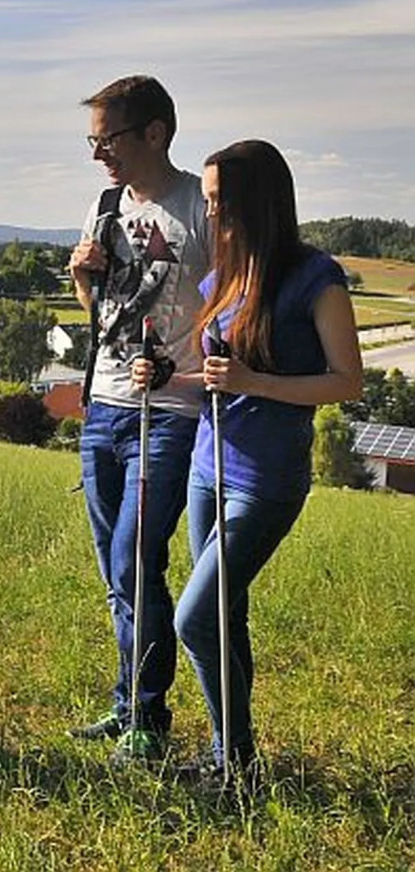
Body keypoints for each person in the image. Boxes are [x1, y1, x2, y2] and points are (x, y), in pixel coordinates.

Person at [134, 140, 361, 786]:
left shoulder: (316, 278)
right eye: (205, 202)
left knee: (195, 616)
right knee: (225, 618)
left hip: (264, 480)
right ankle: (227, 758)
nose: (209, 216)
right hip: (208, 466)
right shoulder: (224, 280)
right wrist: (166, 377)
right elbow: (215, 382)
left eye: (218, 203)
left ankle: (235, 761)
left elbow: (346, 382)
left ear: (256, 203)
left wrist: (253, 382)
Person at [66, 75, 213, 764]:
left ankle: (149, 721)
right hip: (103, 406)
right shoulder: (104, 206)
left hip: (170, 414)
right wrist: (80, 279)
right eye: (92, 141)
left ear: (154, 132)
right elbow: (103, 316)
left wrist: (193, 373)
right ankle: (128, 703)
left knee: (134, 561)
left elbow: (231, 305)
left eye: (107, 139)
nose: (99, 154)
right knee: (115, 570)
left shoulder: (200, 208)